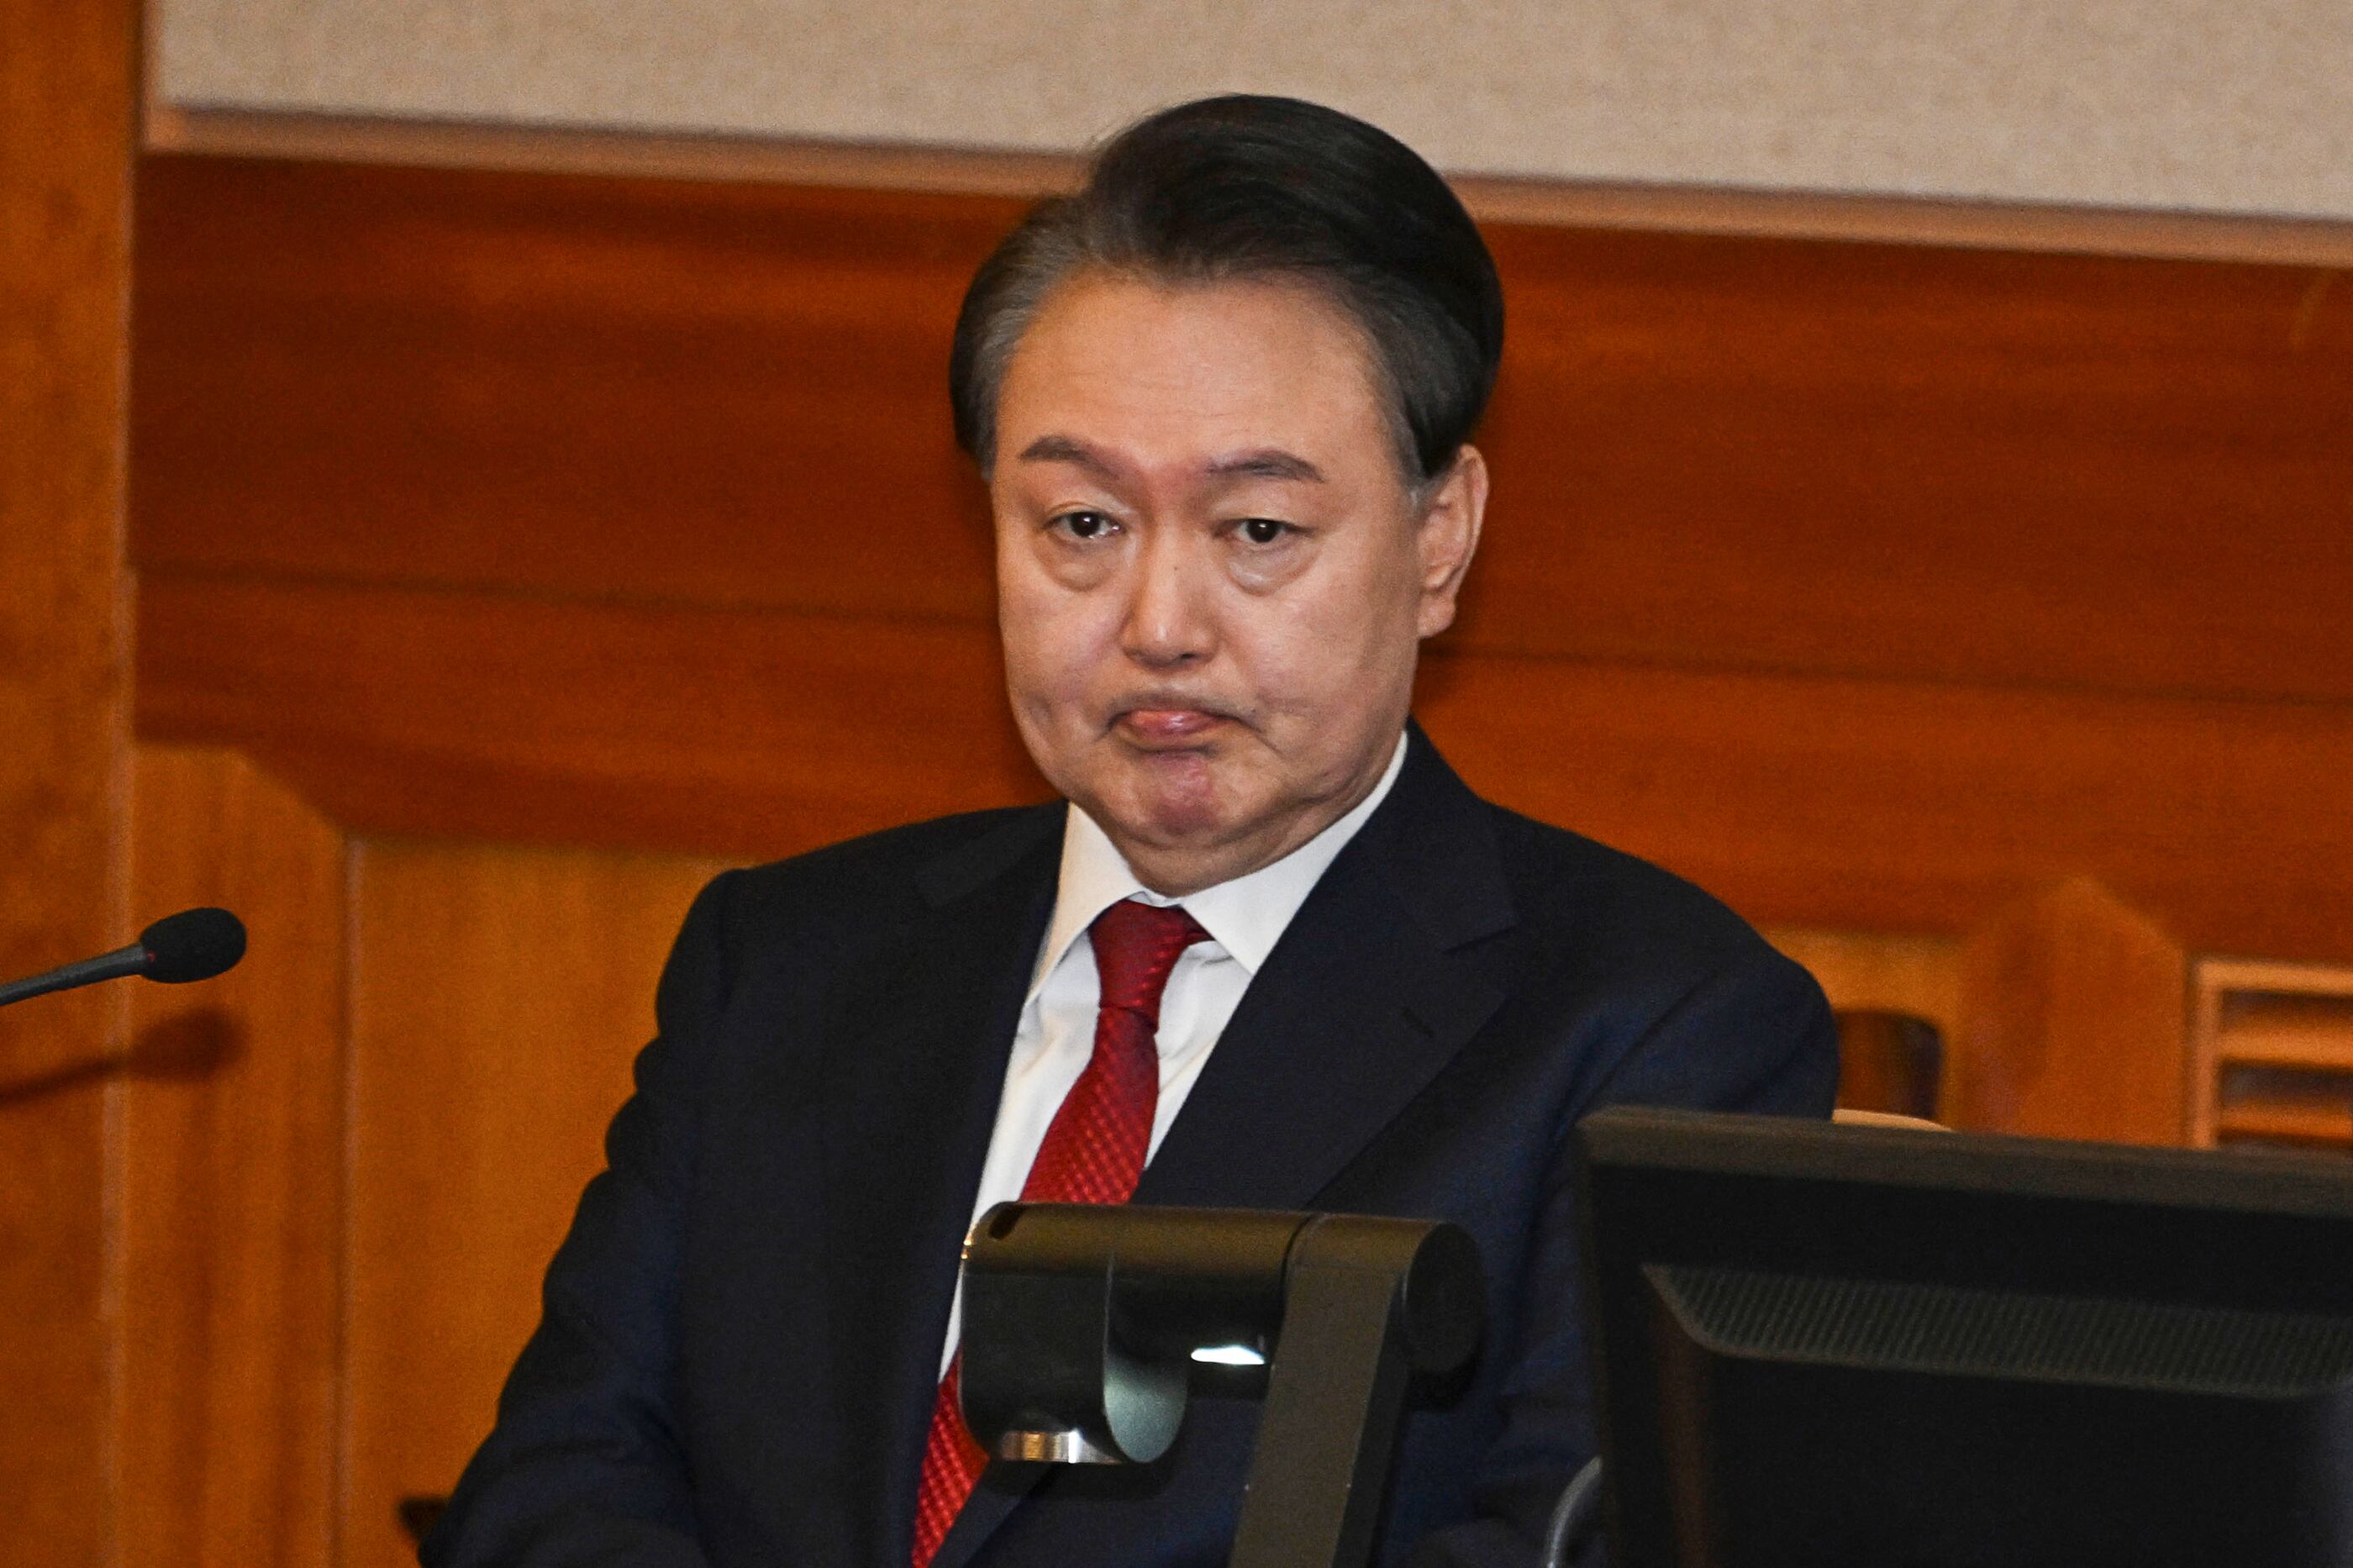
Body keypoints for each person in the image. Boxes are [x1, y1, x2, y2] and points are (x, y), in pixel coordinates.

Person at [423, 93, 1837, 1568]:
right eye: (1082, 525)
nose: (1161, 626)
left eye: (1258, 533)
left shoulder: (1655, 1031)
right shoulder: (783, 962)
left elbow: (1576, 1550)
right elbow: (556, 1484)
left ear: (1439, 538)